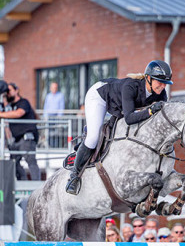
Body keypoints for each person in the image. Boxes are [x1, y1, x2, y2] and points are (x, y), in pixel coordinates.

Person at [65, 60, 173, 194]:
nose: (162, 86)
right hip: (100, 96)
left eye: (165, 83)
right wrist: (150, 111)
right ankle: (74, 176)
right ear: (149, 78)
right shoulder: (130, 86)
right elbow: (129, 118)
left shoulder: (161, 94)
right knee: (93, 137)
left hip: (118, 104)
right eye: (159, 82)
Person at [0, 82, 41, 181]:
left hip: (27, 138)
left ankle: (37, 187)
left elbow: (18, 113)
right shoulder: (9, 107)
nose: (7, 93)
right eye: (6, 92)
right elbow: (1, 117)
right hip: (16, 140)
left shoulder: (23, 102)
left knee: (30, 161)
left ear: (16, 90)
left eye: (9, 91)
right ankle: (23, 183)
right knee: (13, 162)